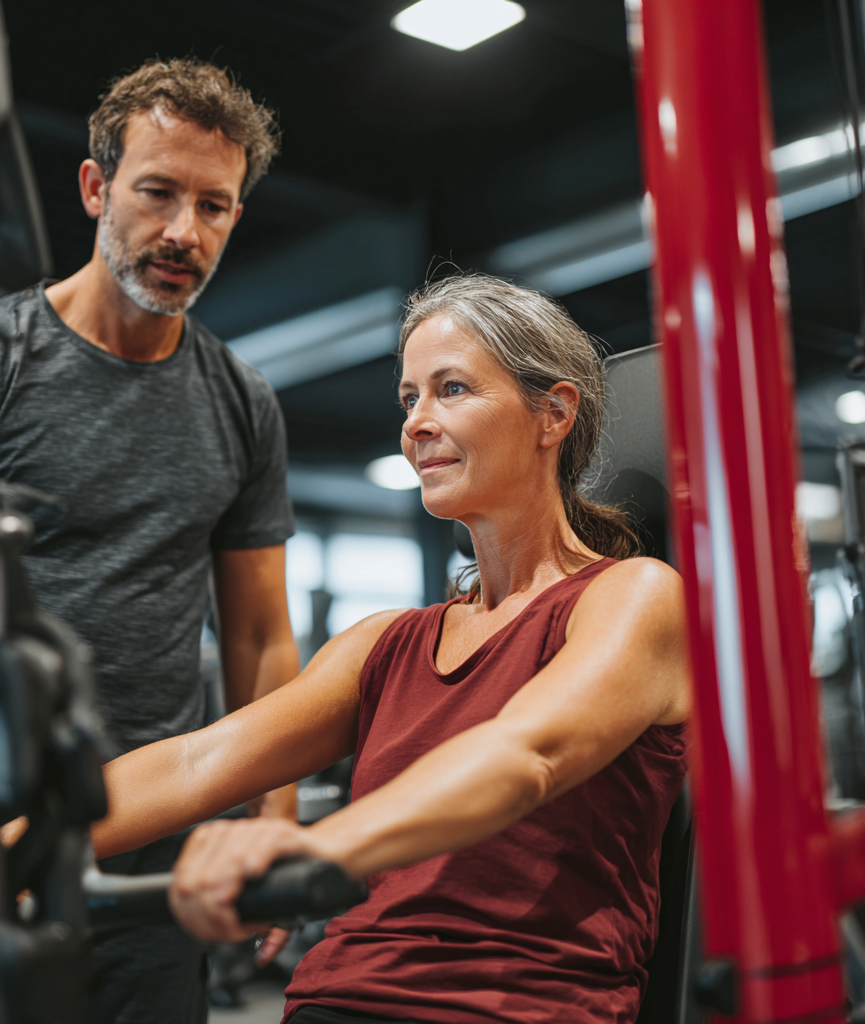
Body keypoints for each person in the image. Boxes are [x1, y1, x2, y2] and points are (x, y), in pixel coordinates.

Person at [86, 274, 692, 1023]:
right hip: (335, 1001)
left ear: (553, 413)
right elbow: (196, 761)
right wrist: (7, 846)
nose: (418, 422)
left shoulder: (634, 597)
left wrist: (314, 852)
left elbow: (524, 756)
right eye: (410, 399)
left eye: (453, 389)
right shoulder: (386, 644)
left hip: (514, 1007)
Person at [0, 59, 300, 1024]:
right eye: (157, 192)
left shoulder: (242, 402)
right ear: (96, 188)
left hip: (152, 851)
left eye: (213, 206)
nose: (183, 231)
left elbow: (259, 636)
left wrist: (277, 818)